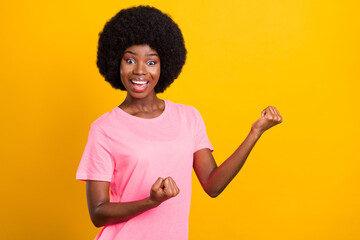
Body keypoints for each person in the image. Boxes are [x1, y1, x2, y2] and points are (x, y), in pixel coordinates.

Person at [76, 5, 282, 240]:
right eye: (130, 60)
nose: (140, 71)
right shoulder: (104, 129)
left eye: (151, 62)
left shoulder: (188, 117)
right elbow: (98, 212)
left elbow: (212, 186)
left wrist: (255, 133)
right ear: (116, 64)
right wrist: (151, 202)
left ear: (164, 65)